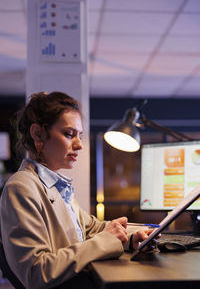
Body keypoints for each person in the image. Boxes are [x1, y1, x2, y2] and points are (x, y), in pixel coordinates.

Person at [0, 92, 155, 289]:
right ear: (38, 134)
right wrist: (106, 240)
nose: (80, 145)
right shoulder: (21, 188)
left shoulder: (55, 186)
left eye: (79, 135)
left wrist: (133, 236)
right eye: (69, 134)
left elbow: (91, 228)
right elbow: (36, 271)